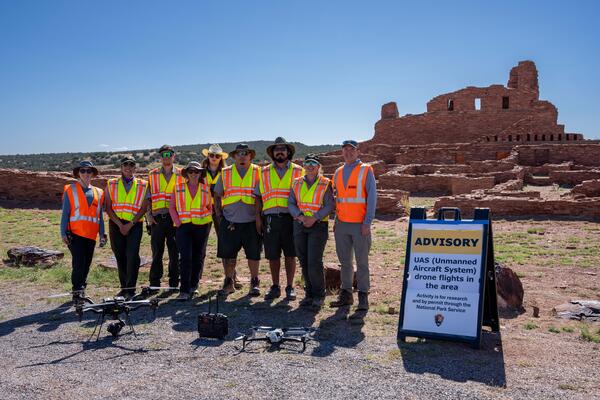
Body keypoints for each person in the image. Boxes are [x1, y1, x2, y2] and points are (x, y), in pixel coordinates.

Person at [330, 140, 377, 313]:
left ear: (358, 152)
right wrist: (336, 221)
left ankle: (363, 296)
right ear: (342, 152)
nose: (348, 152)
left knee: (362, 262)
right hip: (342, 224)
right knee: (345, 262)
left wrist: (367, 222)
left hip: (360, 225)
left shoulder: (366, 170)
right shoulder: (338, 171)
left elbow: (372, 197)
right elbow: (338, 199)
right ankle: (346, 294)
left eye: (352, 150)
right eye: (345, 150)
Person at [255, 137, 303, 300]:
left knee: (291, 254)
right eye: (277, 149)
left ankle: (290, 287)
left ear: (288, 152)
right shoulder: (264, 172)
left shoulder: (298, 171)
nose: (280, 152)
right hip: (270, 218)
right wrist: (258, 218)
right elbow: (258, 197)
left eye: (283, 149)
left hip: (291, 218)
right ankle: (275, 286)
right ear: (272, 153)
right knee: (273, 255)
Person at [213, 144, 262, 297]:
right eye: (239, 153)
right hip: (230, 221)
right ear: (234, 156)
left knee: (253, 255)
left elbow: (260, 197)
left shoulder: (258, 172)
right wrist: (220, 216)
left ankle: (254, 282)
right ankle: (229, 283)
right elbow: (217, 195)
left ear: (250, 156)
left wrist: (259, 218)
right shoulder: (225, 173)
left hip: (251, 221)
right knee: (228, 256)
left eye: (245, 153)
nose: (242, 156)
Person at [288, 154, 334, 309]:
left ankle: (319, 295)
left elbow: (329, 205)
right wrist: (300, 217)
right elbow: (291, 203)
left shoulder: (325, 183)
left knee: (314, 261)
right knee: (303, 260)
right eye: (307, 163)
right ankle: (309, 293)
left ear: (319, 166)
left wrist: (314, 217)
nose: (310, 166)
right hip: (300, 224)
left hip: (318, 225)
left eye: (314, 163)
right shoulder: (296, 183)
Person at [60, 161, 107, 302]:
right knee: (79, 263)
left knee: (86, 263)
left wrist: (102, 234)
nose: (86, 173)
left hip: (91, 235)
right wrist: (63, 232)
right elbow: (65, 213)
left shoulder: (99, 192)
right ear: (78, 173)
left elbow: (100, 216)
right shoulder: (71, 190)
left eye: (89, 171)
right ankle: (77, 290)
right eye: (83, 171)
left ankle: (82, 288)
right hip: (75, 234)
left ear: (92, 173)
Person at [105, 157, 149, 298]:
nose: (128, 167)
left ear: (135, 168)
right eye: (125, 165)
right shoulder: (111, 184)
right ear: (121, 167)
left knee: (132, 255)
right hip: (116, 223)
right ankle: (124, 287)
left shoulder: (143, 185)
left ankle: (131, 288)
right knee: (119, 255)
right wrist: (120, 225)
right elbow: (108, 207)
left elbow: (144, 208)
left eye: (131, 165)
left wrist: (130, 225)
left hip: (134, 224)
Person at [169, 161, 213, 300]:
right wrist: (178, 223)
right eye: (191, 171)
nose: (194, 174)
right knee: (185, 257)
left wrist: (206, 221)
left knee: (198, 257)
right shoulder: (178, 188)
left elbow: (209, 207)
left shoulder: (206, 189)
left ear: (200, 174)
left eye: (197, 171)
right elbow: (172, 207)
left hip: (201, 227)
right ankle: (184, 289)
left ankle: (194, 286)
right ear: (186, 173)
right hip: (183, 227)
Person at [146, 144, 181, 293]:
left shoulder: (181, 174)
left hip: (174, 219)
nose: (166, 157)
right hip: (157, 219)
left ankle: (174, 283)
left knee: (174, 252)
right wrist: (149, 216)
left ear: (174, 156)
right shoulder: (152, 174)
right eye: (163, 155)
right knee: (157, 252)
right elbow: (148, 197)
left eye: (169, 154)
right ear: (160, 158)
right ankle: (155, 282)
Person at [201, 144, 229, 234]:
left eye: (217, 156)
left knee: (222, 235)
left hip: (221, 207)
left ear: (221, 158)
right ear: (208, 156)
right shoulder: (200, 172)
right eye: (211, 155)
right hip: (204, 207)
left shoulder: (226, 172)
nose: (214, 158)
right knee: (203, 236)